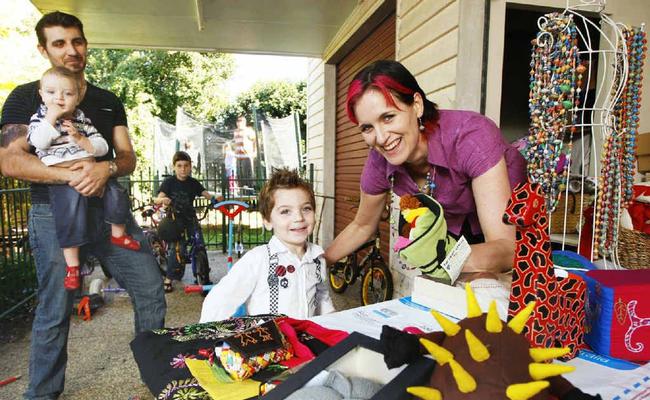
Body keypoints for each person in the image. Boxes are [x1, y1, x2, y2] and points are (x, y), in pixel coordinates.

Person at [0, 11, 166, 399]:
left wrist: (104, 168)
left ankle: (158, 380)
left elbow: (126, 156)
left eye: (77, 41)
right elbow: (10, 160)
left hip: (110, 215)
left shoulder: (108, 100)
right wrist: (73, 176)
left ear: (85, 44)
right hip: (52, 213)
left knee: (150, 289)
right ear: (43, 49)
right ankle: (42, 394)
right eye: (59, 43)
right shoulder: (28, 96)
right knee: (55, 309)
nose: (71, 50)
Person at [324, 60, 527, 282]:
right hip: (457, 236)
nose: (381, 138)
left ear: (417, 105)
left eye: (388, 117)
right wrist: (316, 263)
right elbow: (362, 225)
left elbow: (508, 248)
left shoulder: (471, 136)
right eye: (367, 128)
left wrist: (440, 260)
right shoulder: (379, 159)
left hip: (513, 234)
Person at [28, 66, 140, 291]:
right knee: (69, 214)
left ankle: (118, 233)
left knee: (117, 194)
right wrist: (51, 117)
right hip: (63, 176)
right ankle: (73, 266)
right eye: (51, 93)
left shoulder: (81, 120)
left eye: (67, 94)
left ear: (77, 98)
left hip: (90, 169)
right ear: (41, 95)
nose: (58, 98)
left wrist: (81, 139)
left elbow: (102, 147)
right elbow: (38, 142)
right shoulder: (40, 118)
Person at [199, 168, 335, 322]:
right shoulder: (258, 260)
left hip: (305, 341)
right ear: (267, 221)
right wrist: (206, 340)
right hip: (269, 344)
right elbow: (219, 301)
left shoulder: (317, 258)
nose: (299, 217)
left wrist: (331, 323)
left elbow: (322, 298)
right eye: (285, 211)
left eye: (306, 208)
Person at [155, 151, 219, 292]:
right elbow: (157, 198)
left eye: (186, 166)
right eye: (179, 166)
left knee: (199, 243)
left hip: (190, 218)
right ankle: (169, 278)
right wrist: (163, 200)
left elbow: (205, 193)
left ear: (190, 167)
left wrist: (214, 199)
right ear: (174, 167)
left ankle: (203, 276)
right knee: (177, 249)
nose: (183, 169)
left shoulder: (193, 183)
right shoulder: (169, 182)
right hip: (174, 219)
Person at [233, 115, 257, 187]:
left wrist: (255, 152)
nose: (238, 122)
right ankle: (241, 194)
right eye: (237, 121)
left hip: (247, 156)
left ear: (244, 122)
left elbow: (255, 141)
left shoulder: (249, 130)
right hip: (238, 157)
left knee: (248, 175)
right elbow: (235, 143)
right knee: (239, 176)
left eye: (240, 121)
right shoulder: (235, 131)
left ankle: (250, 192)